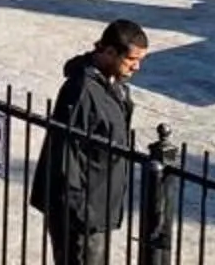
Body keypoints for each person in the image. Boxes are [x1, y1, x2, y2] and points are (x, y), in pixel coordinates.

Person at [29, 19, 145, 265]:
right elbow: (67, 156)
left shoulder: (112, 83)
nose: (137, 67)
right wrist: (82, 217)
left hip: (98, 204)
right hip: (82, 214)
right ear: (110, 52)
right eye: (132, 60)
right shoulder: (82, 91)